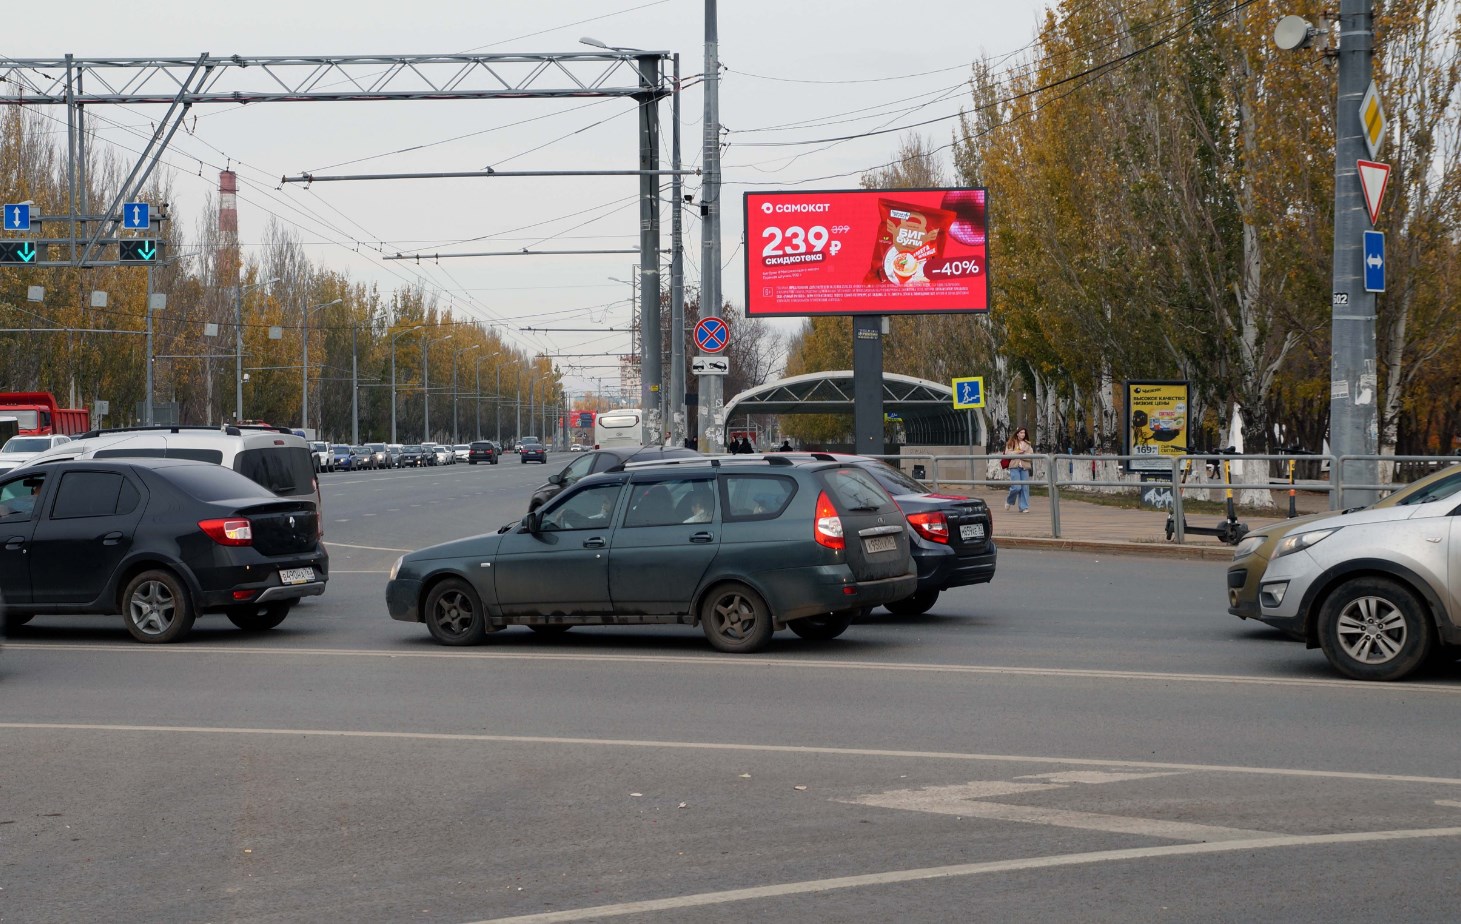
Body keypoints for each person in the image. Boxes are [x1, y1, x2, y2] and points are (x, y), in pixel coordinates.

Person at [1004, 426, 1034, 513]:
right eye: (1021, 433)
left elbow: (1031, 456)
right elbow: (1007, 454)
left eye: (1024, 433)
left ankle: (1023, 507)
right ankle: (1009, 501)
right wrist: (1017, 452)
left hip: (1024, 468)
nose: (1023, 434)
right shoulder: (1011, 442)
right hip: (1014, 467)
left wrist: (1022, 455)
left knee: (1025, 487)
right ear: (1017, 434)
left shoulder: (1028, 444)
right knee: (1016, 487)